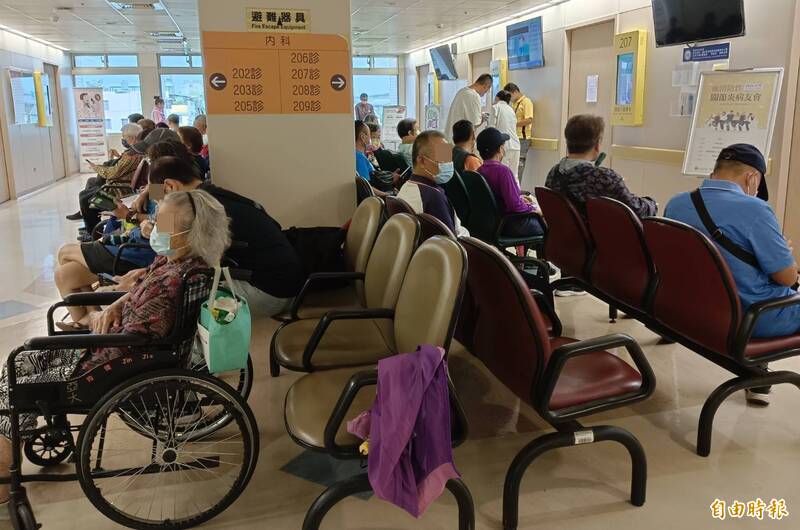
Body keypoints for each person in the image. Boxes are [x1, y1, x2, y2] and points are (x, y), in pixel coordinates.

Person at [0, 189, 231, 502]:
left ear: (190, 233)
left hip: (110, 361)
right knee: (20, 367)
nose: (155, 229)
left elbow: (136, 338)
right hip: (116, 347)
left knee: (17, 373)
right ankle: (12, 440)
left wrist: (95, 325)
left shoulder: (172, 281)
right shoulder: (177, 263)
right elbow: (139, 292)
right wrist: (113, 306)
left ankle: (3, 473)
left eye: (164, 224)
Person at [665, 144, 799, 407]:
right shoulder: (756, 210)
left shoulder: (677, 203)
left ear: (715, 171)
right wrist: (784, 253)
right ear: (752, 178)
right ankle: (757, 375)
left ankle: (757, 374)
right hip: (750, 317)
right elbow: (787, 278)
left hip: (693, 309)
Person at [147, 156, 306, 316]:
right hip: (284, 280)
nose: (159, 205)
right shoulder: (215, 196)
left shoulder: (202, 210)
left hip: (271, 291)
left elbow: (167, 247)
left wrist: (156, 218)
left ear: (170, 186)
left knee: (174, 298)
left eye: (159, 199)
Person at [545, 114, 657, 218]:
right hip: (600, 233)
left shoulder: (554, 173)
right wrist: (652, 203)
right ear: (597, 144)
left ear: (567, 142)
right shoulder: (604, 178)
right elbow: (637, 210)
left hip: (563, 232)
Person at [67, 123, 143, 224]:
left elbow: (112, 174)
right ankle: (87, 217)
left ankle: (92, 227)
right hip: (123, 185)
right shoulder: (138, 153)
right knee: (87, 192)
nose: (123, 139)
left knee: (85, 197)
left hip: (120, 189)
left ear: (133, 138)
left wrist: (96, 167)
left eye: (124, 137)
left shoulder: (132, 155)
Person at [396, 130, 468, 236]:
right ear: (422, 161)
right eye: (442, 158)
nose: (448, 164)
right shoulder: (433, 197)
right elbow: (450, 242)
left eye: (448, 158)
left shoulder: (407, 187)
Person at [476, 128, 543, 238]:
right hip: (510, 224)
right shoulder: (503, 172)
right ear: (500, 149)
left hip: (492, 223)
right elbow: (514, 206)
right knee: (548, 222)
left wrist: (520, 199)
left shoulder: (479, 171)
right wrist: (533, 209)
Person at [444, 74, 493, 143]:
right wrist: (482, 119)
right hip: (460, 141)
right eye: (486, 91)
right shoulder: (474, 96)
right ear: (485, 86)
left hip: (451, 137)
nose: (484, 94)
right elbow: (475, 123)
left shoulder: (462, 91)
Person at [504, 83, 534, 180]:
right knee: (511, 166)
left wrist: (513, 123)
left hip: (522, 138)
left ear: (515, 92)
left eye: (510, 95)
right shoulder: (513, 103)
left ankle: (517, 187)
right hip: (514, 137)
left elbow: (529, 120)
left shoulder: (526, 102)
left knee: (519, 166)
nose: (509, 98)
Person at [490, 90, 522, 180]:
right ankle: (516, 190)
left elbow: (491, 129)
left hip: (504, 147)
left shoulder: (495, 107)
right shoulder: (511, 109)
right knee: (514, 176)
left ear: (497, 98)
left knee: (503, 176)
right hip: (515, 145)